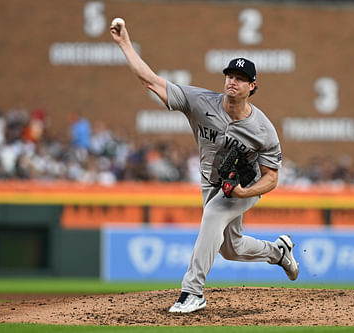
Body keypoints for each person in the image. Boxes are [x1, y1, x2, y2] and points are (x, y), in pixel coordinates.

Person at [110, 20, 299, 314]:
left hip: (242, 188)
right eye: (229, 75)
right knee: (231, 248)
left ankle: (192, 291)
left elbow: (272, 179)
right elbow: (151, 81)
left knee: (213, 213)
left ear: (252, 86)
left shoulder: (263, 130)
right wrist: (124, 43)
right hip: (210, 183)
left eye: (240, 77)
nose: (232, 81)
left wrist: (241, 192)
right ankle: (278, 252)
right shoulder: (201, 102)